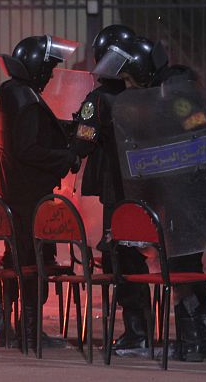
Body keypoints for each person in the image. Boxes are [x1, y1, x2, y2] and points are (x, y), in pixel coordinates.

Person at [107, 35, 206, 362]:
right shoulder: (162, 93)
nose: (127, 85)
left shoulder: (178, 96)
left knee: (185, 266)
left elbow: (197, 132)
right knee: (179, 267)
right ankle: (194, 337)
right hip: (175, 198)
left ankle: (198, 339)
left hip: (188, 199)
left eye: (129, 78)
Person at [0, 34, 81, 350]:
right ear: (37, 67)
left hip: (15, 196)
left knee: (15, 260)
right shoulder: (26, 99)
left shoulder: (12, 92)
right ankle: (30, 333)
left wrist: (66, 129)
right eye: (50, 69)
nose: (51, 75)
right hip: (31, 198)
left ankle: (3, 327)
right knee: (34, 264)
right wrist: (67, 156)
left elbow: (29, 135)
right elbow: (29, 149)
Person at [71, 24, 151, 352]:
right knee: (136, 256)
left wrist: (71, 138)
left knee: (121, 256)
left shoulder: (99, 100)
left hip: (116, 193)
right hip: (144, 190)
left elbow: (84, 141)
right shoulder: (144, 95)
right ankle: (142, 329)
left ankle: (137, 332)